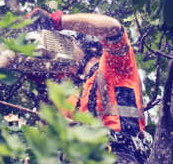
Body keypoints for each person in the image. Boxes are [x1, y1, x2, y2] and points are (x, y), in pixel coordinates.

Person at [25, 8, 147, 164]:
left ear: (88, 45)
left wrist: (57, 21)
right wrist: (43, 86)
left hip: (119, 154)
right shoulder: (74, 96)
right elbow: (51, 132)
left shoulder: (117, 65)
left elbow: (113, 28)